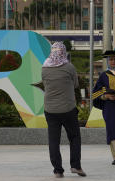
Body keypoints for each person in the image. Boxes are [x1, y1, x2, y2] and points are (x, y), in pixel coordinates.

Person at [41, 42, 85, 178]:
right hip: (68, 109)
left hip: (50, 110)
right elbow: (76, 84)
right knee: (74, 137)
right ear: (64, 52)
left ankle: (58, 170)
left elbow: (44, 83)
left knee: (54, 140)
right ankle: (76, 166)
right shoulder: (69, 67)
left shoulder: (44, 68)